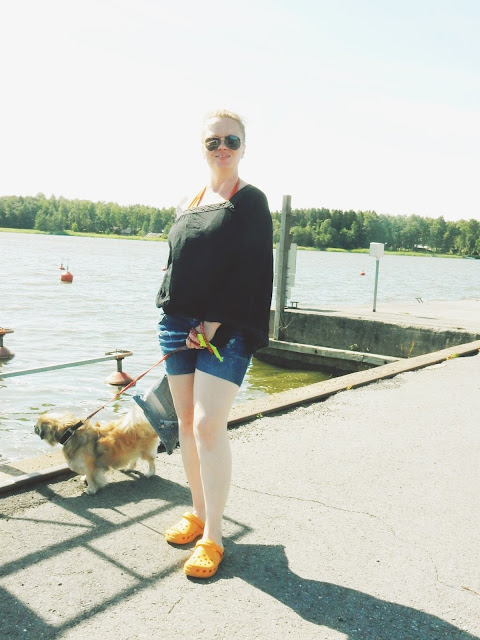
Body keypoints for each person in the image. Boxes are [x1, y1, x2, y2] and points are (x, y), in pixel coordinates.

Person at [155, 109, 273, 578]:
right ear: (202, 148)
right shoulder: (190, 199)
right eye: (213, 141)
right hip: (177, 323)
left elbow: (251, 272)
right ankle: (198, 512)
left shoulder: (251, 201)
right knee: (185, 423)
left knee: (207, 425)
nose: (222, 147)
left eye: (231, 140)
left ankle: (214, 537)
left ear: (243, 146)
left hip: (229, 326)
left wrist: (211, 323)